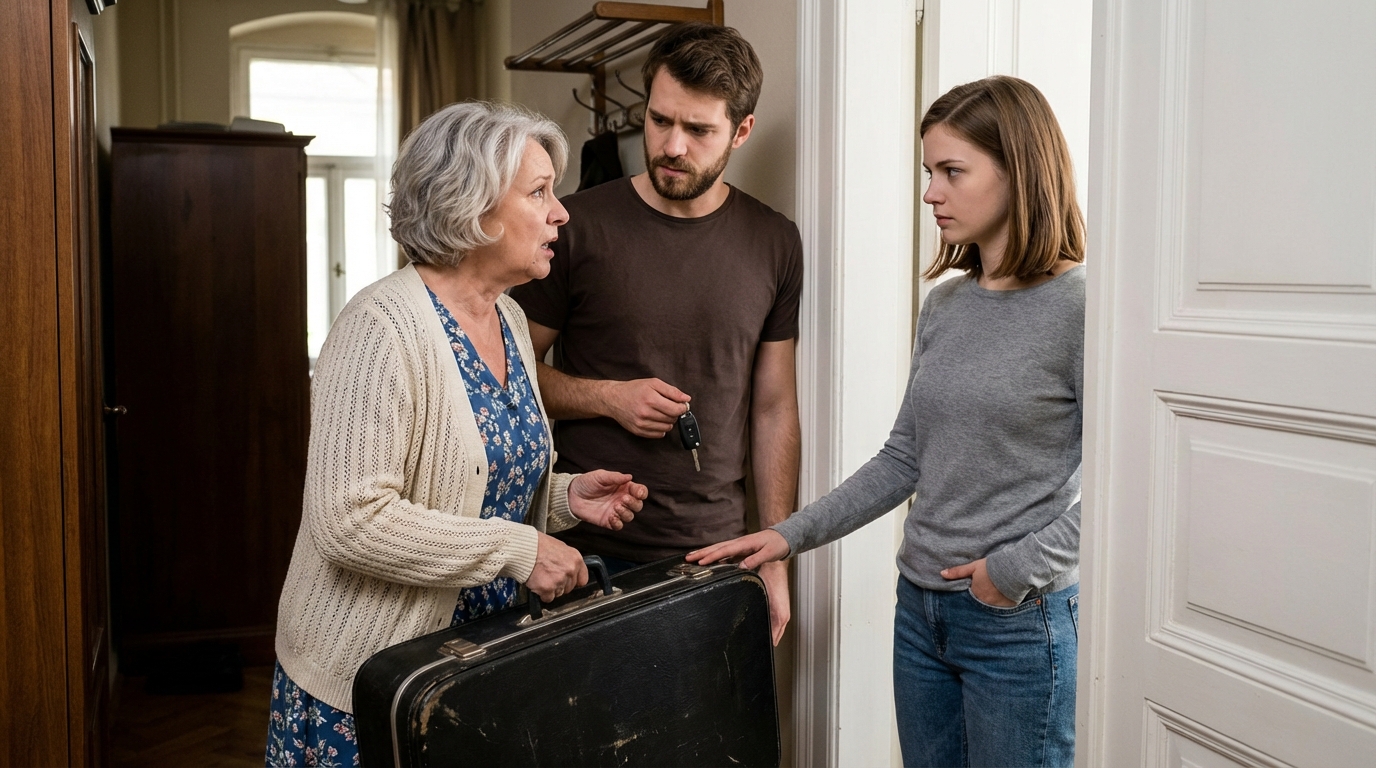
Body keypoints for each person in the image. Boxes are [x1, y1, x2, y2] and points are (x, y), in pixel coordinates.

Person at [689, 75, 1085, 767]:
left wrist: (1016, 568)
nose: (931, 192)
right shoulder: (947, 306)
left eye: (952, 172)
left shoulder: (1082, 310)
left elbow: (1125, 490)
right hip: (921, 615)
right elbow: (904, 459)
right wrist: (787, 536)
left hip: (1016, 624)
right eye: (929, 172)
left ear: (1019, 171)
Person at [265, 101, 648, 767]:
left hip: (473, 665)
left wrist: (561, 499)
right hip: (372, 678)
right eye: (538, 192)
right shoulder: (379, 329)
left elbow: (474, 480)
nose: (561, 212)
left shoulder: (507, 319)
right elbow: (349, 519)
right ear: (473, 208)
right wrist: (518, 548)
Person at [510, 22, 802, 646]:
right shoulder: (574, 226)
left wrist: (776, 555)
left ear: (742, 131)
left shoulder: (775, 242)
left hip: (718, 558)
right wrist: (609, 398)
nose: (672, 146)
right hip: (584, 555)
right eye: (659, 120)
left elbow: (775, 408)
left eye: (698, 130)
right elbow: (506, 378)